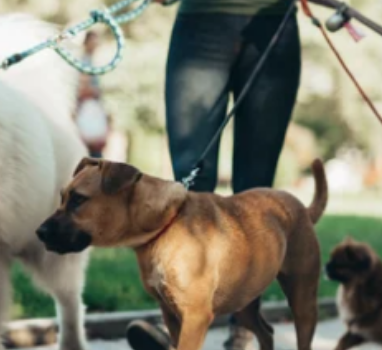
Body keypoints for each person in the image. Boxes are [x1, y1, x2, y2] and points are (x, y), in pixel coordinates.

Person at [125, 0, 302, 349]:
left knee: (256, 193)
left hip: (273, 24)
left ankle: (245, 329)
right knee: (190, 183)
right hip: (201, 24)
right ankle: (180, 332)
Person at [74, 31, 111, 158]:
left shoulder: (91, 61)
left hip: (91, 108)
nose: (96, 44)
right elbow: (83, 86)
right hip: (86, 109)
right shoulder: (83, 62)